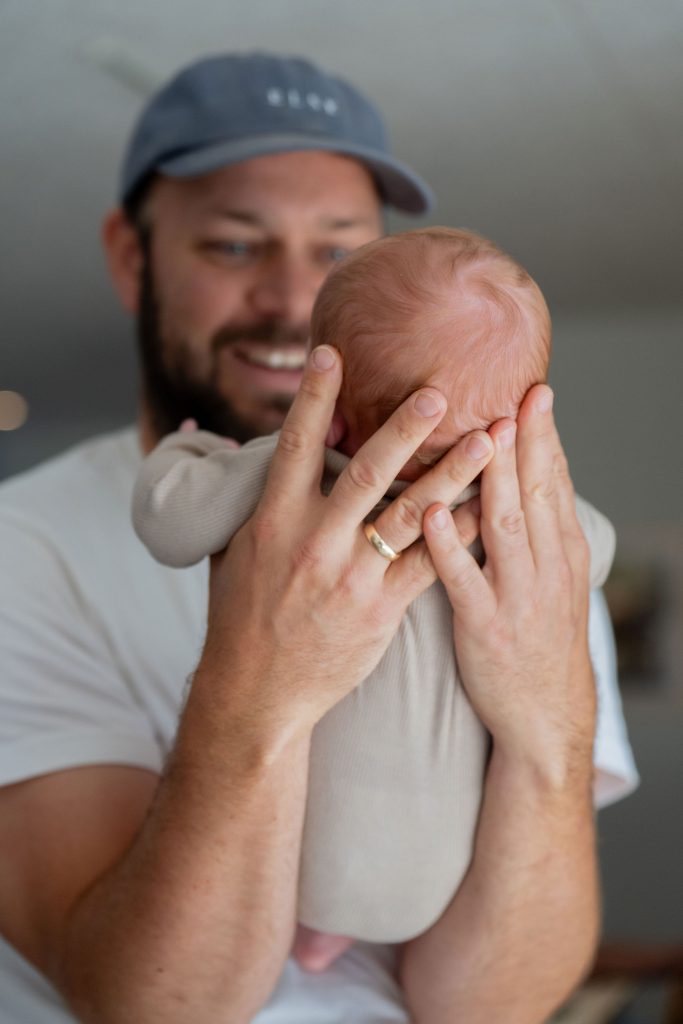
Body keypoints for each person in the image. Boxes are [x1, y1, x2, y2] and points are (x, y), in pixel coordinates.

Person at [0, 53, 637, 1024]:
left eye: (337, 252)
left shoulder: (524, 554)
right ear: (133, 256)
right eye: (232, 246)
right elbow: (151, 1006)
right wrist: (260, 684)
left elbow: (489, 1006)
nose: (294, 298)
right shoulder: (22, 547)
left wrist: (550, 725)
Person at [131, 226, 618, 961]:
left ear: (327, 410)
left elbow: (170, 518)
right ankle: (332, 940)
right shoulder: (522, 528)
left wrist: (191, 448)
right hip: (439, 881)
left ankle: (314, 938)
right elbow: (595, 550)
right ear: (523, 424)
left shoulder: (293, 485)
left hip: (294, 866)